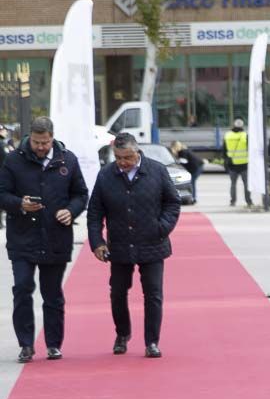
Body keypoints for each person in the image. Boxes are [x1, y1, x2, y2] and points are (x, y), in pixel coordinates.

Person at [0, 117, 88, 362]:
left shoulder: (67, 160)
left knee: (52, 294)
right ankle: (26, 344)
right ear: (30, 138)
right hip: (22, 238)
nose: (41, 147)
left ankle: (53, 344)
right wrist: (19, 204)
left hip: (55, 236)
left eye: (45, 142)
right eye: (37, 142)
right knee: (22, 288)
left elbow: (81, 194)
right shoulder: (14, 160)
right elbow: (2, 193)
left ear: (52, 137)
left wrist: (71, 210)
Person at [87, 132, 182, 358]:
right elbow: (94, 213)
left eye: (127, 158)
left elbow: (173, 203)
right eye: (118, 158)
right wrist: (97, 242)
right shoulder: (106, 175)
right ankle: (122, 333)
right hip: (119, 245)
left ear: (137, 152)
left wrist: (162, 227)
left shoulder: (157, 171)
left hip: (153, 243)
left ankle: (151, 341)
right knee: (118, 292)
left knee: (153, 294)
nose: (122, 163)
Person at [223, 118, 251, 208]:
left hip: (232, 164)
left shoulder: (227, 135)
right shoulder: (245, 135)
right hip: (244, 163)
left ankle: (233, 201)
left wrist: (226, 160)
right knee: (246, 184)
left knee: (233, 184)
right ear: (242, 126)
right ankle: (248, 201)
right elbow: (250, 149)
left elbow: (224, 150)